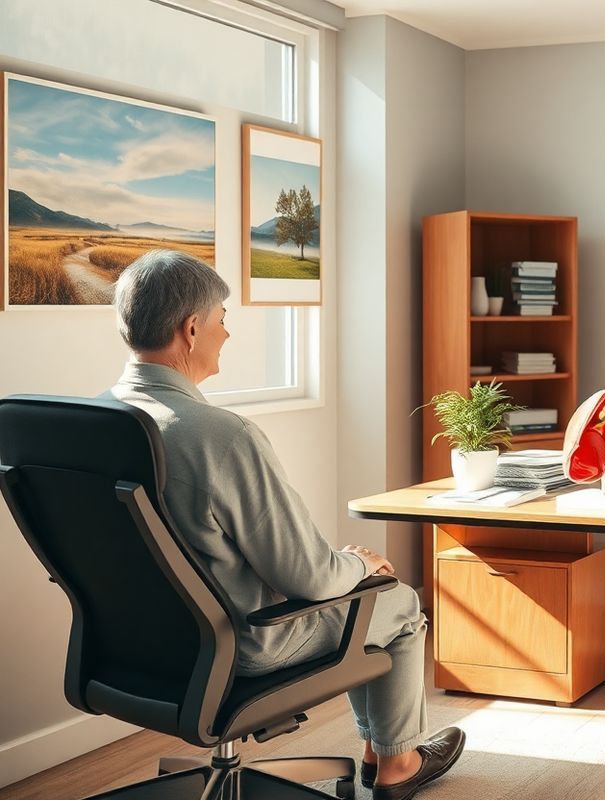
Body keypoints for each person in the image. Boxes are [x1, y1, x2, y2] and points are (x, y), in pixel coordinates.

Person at [103, 250, 463, 800]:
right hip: (242, 642)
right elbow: (311, 580)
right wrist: (360, 565)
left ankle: (379, 749)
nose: (228, 333)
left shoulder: (94, 420)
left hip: (130, 640)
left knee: (367, 594)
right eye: (223, 319)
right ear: (191, 328)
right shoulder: (220, 436)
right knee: (397, 600)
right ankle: (397, 765)